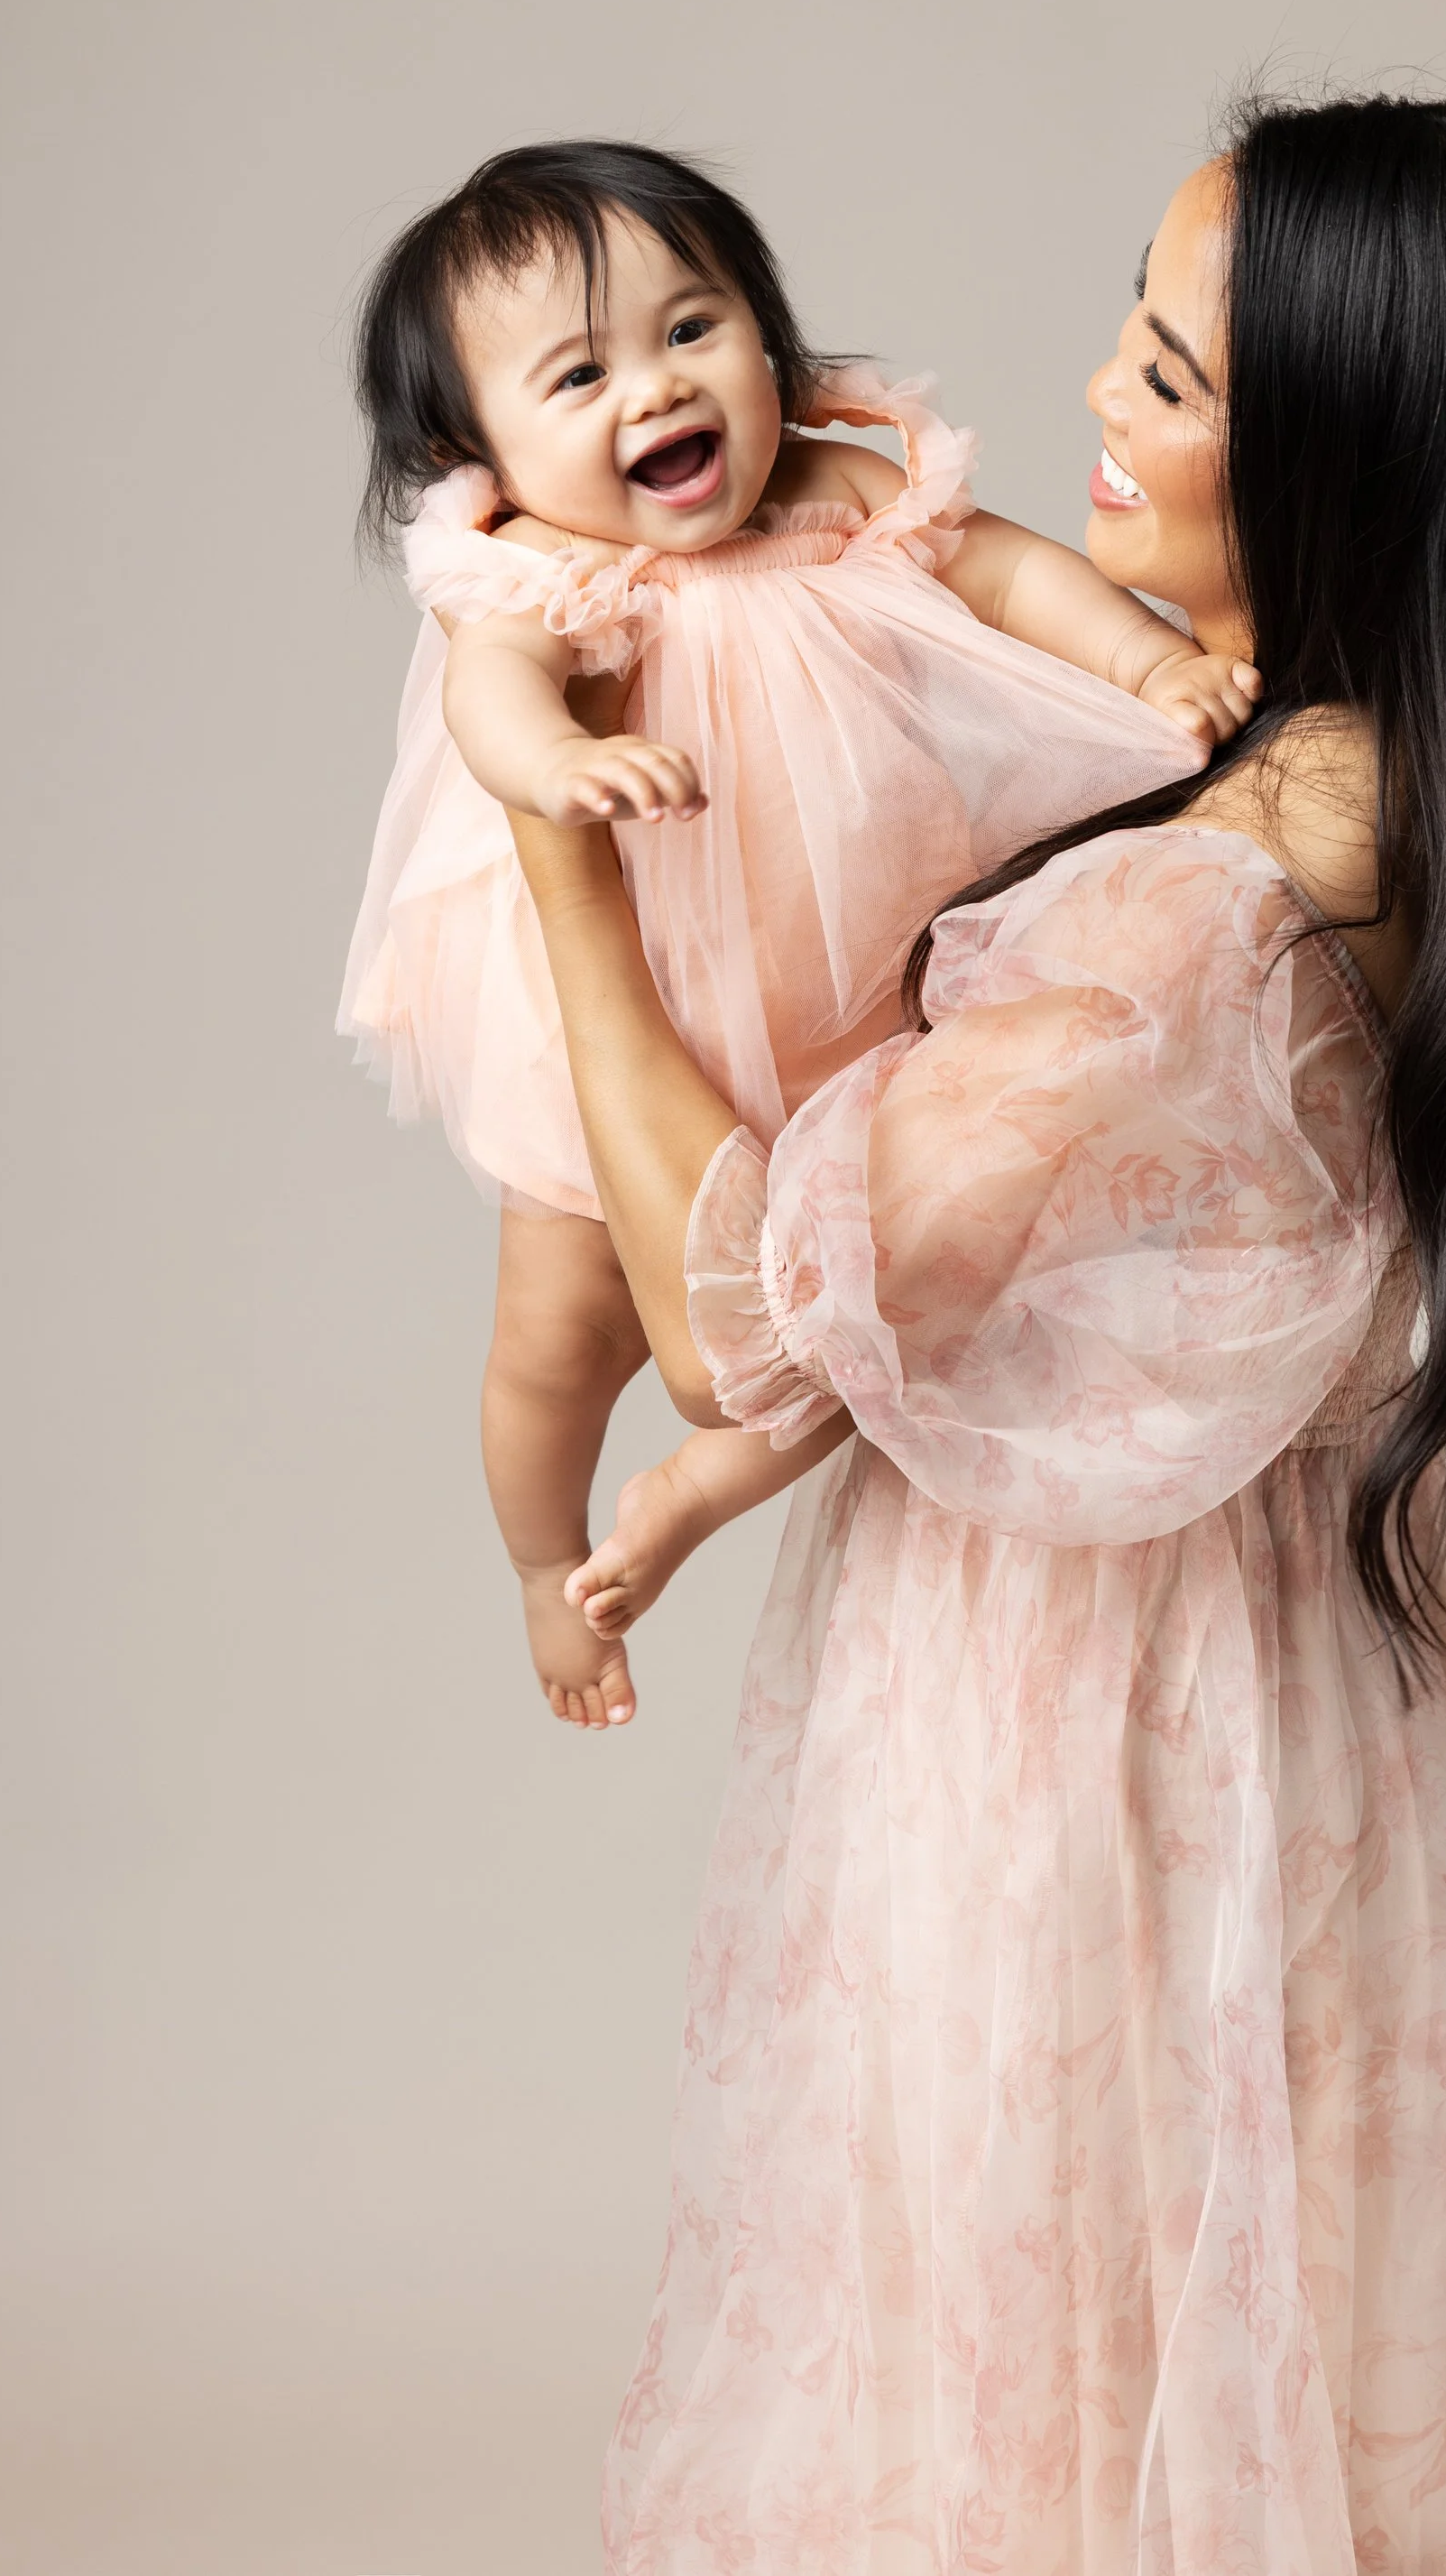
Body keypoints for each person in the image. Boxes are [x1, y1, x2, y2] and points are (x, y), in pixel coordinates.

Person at [510, 94, 1446, 2569]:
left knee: (1049, 2369)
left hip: (1090, 1739)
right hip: (1295, 1707)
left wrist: (548, 860)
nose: (1099, 392)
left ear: (1361, 463)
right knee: (1249, 2341)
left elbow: (740, 1313)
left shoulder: (1219, 903)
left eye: (1166, 375)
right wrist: (917, 555)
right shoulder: (1387, 769)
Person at [339, 143, 1254, 1723]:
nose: (653, 389)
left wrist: (1148, 669)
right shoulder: (540, 572)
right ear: (475, 452)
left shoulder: (835, 490)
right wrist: (557, 761)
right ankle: (540, 1560)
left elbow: (1016, 572)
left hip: (844, 986)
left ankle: (697, 1491)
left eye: (692, 329)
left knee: (852, 1285)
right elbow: (494, 695)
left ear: (767, 338)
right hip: (619, 1027)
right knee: (558, 1334)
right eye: (577, 373)